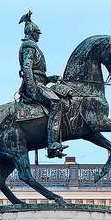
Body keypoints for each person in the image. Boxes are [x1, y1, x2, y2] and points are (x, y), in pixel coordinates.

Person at [18, 10, 67, 158]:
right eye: (37, 33)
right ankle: (52, 144)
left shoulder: (33, 46)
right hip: (34, 85)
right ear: (32, 32)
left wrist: (49, 78)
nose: (39, 35)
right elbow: (27, 68)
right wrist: (32, 87)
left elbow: (37, 72)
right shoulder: (29, 47)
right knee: (56, 104)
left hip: (39, 82)